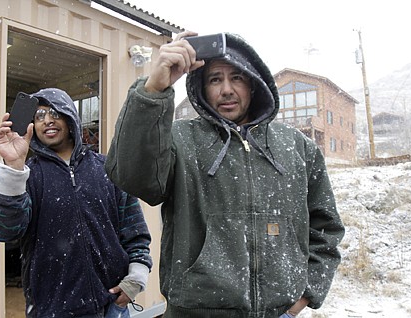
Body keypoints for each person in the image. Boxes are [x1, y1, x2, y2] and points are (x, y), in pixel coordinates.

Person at [105, 31, 345, 318]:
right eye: (215, 79)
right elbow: (131, 176)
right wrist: (154, 90)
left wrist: (303, 297)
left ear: (254, 85)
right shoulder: (180, 140)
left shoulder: (296, 147)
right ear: (202, 88)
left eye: (237, 78)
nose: (227, 89)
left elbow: (326, 228)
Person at [0, 88, 152, 318]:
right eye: (39, 116)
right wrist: (12, 168)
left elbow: (135, 232)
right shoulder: (26, 176)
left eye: (54, 113)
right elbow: (0, 230)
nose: (47, 120)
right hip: (53, 310)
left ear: (70, 117)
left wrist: (136, 279)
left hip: (112, 306)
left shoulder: (108, 169)